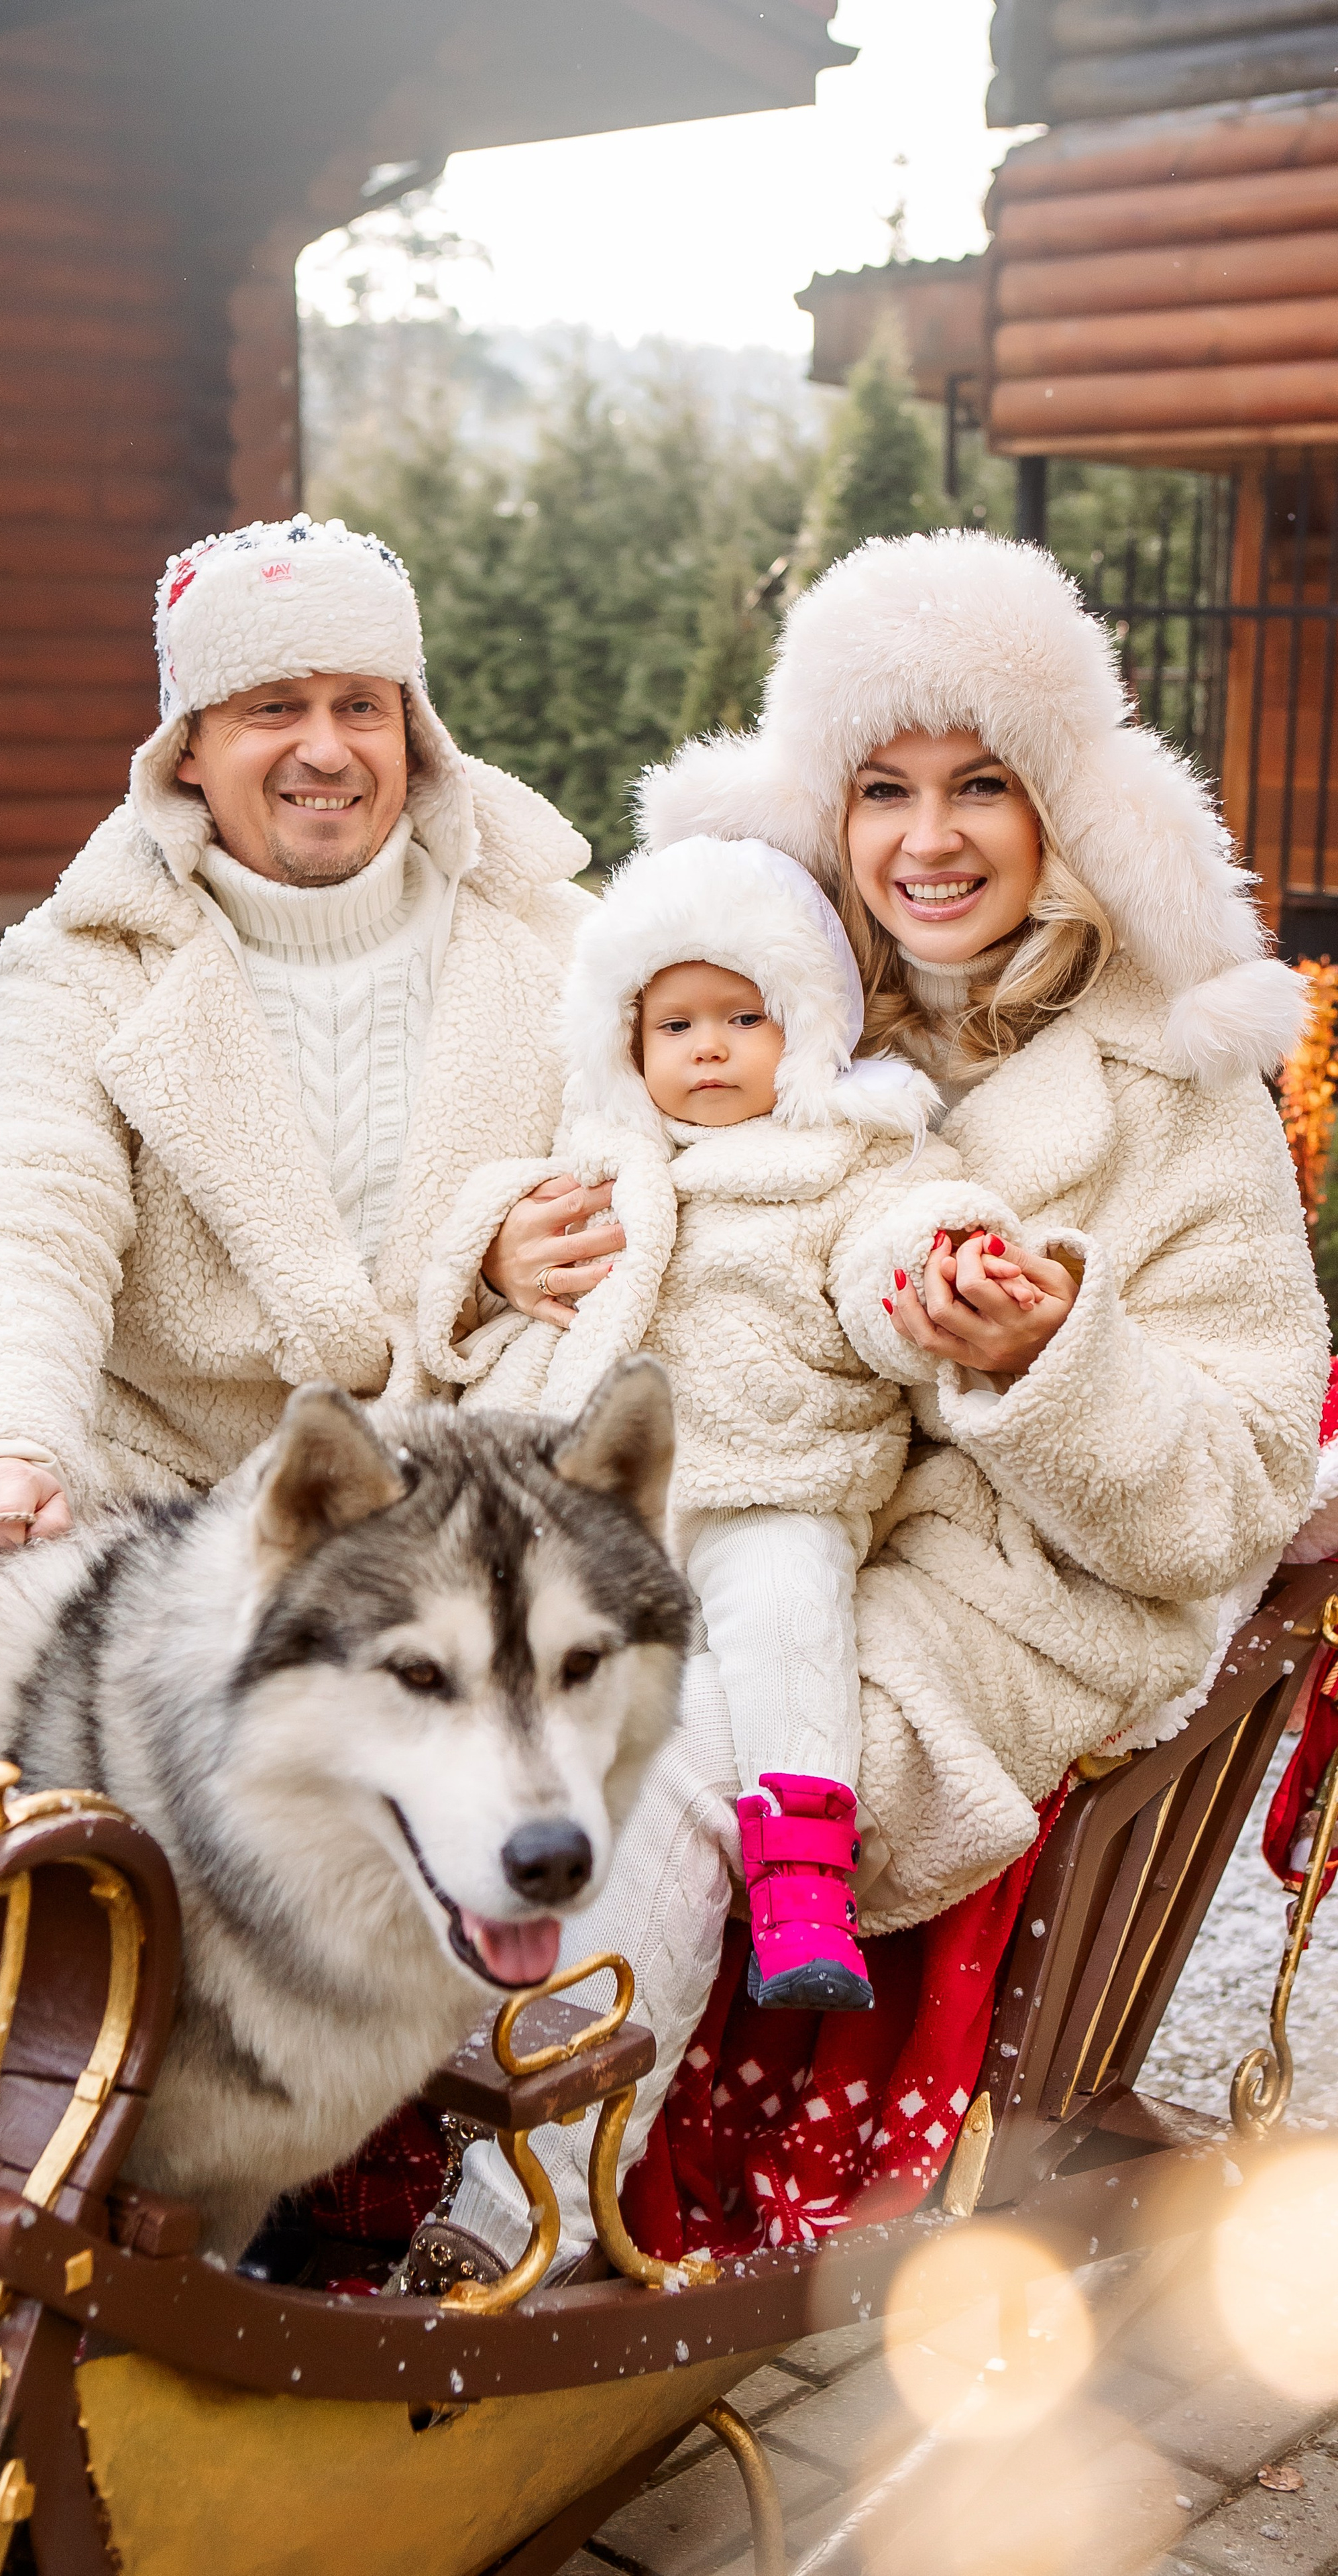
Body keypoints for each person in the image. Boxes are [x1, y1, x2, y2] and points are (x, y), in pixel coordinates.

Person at [432, 527, 1327, 2284]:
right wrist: (508, 1260)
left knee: (679, 1733)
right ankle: (311, 2135)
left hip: (1020, 1587)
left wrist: (1049, 1360)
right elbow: (597, 1198)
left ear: (1065, 802)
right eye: (884, 787)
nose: (930, 840)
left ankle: (518, 2238)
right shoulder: (760, 994)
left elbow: (1235, 1484)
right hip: (727, 1494)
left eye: (982, 782)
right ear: (823, 806)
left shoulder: (1169, 1075)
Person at [0, 515, 619, 1568]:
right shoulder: (85, 965)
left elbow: (660, 1179)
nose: (326, 749)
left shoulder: (561, 943)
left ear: (412, 733)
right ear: (186, 748)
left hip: (486, 1497)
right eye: (276, 706)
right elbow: (16, 1216)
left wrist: (490, 1266)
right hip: (167, 1505)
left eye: (361, 706)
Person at [419, 832, 1023, 2020]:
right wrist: (494, 1256)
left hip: (776, 1475)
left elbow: (895, 1244)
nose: (708, 1047)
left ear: (807, 1030)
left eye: (745, 1019)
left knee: (789, 1628)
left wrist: (934, 1273)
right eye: (677, 1024)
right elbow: (501, 1262)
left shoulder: (852, 1154)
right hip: (600, 1501)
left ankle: (804, 1876)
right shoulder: (605, 1157)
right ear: (628, 1046)